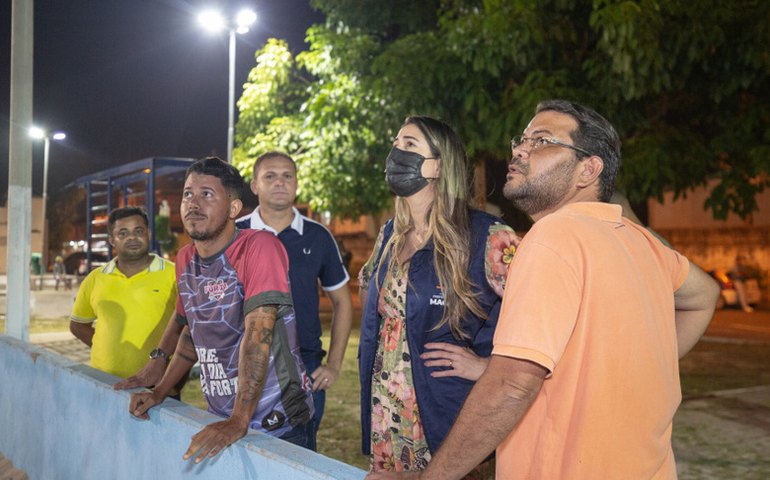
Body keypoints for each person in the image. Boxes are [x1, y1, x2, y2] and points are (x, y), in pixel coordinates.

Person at [367, 100, 721, 480]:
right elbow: (704, 297)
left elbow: (511, 384)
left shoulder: (552, 237)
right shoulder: (642, 243)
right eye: (521, 139)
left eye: (542, 140)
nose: (519, 149)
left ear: (588, 169)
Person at [358, 115, 519, 476]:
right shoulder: (390, 235)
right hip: (387, 412)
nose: (396, 152)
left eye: (409, 145)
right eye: (396, 143)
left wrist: (488, 368)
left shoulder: (487, 236)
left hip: (444, 415)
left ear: (437, 166)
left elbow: (541, 317)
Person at [127, 157, 315, 461]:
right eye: (188, 193)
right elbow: (191, 337)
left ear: (233, 208)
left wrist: (239, 421)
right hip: (223, 417)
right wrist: (159, 391)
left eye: (207, 194)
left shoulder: (259, 246)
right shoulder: (185, 258)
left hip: (279, 421)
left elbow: (259, 334)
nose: (193, 203)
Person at [235, 151, 353, 446]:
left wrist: (334, 364)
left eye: (287, 176)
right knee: (242, 447)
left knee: (300, 453)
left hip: (304, 364)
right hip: (245, 360)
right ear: (254, 185)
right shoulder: (236, 234)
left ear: (297, 183)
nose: (280, 183)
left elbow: (342, 302)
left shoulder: (317, 236)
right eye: (270, 176)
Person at [69, 206, 177, 379]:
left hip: (158, 386)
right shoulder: (95, 278)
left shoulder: (174, 274)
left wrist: (170, 368)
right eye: (123, 233)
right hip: (104, 383)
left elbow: (189, 328)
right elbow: (78, 325)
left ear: (148, 233)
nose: (132, 238)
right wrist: (105, 348)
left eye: (139, 231)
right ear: (112, 240)